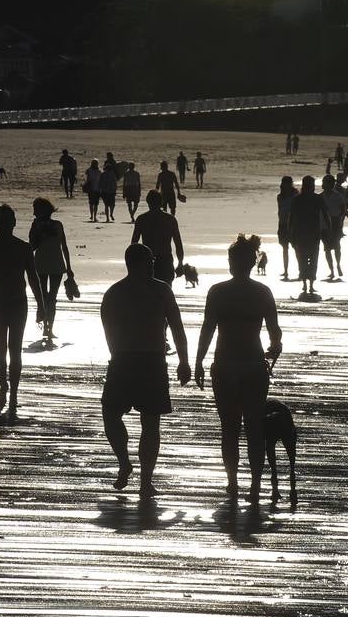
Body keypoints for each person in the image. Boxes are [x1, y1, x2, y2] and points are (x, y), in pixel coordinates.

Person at [195, 234, 284, 505]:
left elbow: (208, 329)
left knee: (229, 428)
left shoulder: (218, 292)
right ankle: (255, 484)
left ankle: (232, 482)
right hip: (254, 365)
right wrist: (275, 348)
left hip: (225, 365)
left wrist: (198, 361)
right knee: (254, 427)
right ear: (252, 263)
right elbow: (275, 332)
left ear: (232, 263)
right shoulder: (263, 292)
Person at [100, 244, 192, 499]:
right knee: (114, 415)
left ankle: (145, 480)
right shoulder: (152, 291)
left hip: (138, 360)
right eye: (149, 261)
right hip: (139, 361)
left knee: (148, 422)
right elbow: (176, 328)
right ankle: (125, 462)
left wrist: (184, 361)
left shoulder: (122, 292)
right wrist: (183, 361)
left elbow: (177, 328)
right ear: (135, 264)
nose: (153, 265)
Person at [0, 204, 47, 415]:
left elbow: (33, 278)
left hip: (16, 303)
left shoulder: (23, 248)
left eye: (6, 221)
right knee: (0, 350)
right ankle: (4, 386)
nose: (4, 225)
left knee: (13, 350)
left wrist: (41, 306)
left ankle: (12, 392)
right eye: (1, 222)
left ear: (13, 223)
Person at [27, 198, 74, 345]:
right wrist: (39, 233)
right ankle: (47, 326)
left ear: (41, 211)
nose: (34, 213)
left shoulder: (56, 225)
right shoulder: (41, 225)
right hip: (49, 264)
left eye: (35, 209)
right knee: (48, 297)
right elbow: (32, 246)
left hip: (50, 265)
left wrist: (69, 268)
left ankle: (48, 327)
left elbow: (64, 247)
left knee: (49, 297)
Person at [132, 190, 185, 284]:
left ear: (148, 202)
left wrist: (134, 265)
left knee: (148, 291)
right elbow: (178, 243)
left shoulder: (142, 219)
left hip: (148, 262)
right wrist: (180, 263)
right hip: (165, 261)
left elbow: (134, 245)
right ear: (161, 202)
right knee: (166, 290)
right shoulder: (170, 219)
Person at [289, 175, 328, 299]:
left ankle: (307, 285)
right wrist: (328, 229)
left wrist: (291, 233)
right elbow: (325, 214)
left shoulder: (298, 199)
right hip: (311, 233)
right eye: (312, 185)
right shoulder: (316, 198)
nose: (313, 187)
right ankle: (309, 285)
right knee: (312, 259)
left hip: (304, 234)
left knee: (303, 259)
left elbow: (291, 218)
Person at [276, 176, 296, 281]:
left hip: (293, 225)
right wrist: (280, 225)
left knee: (296, 248)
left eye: (288, 183)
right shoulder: (280, 197)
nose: (286, 185)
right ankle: (286, 270)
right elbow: (280, 211)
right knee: (285, 249)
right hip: (283, 224)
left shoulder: (296, 196)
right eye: (284, 183)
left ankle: (301, 270)